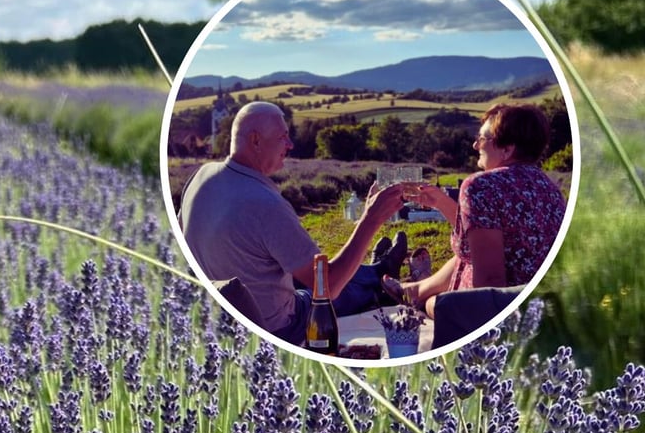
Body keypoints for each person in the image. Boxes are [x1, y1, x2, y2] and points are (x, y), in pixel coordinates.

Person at [178, 101, 407, 346]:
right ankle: (381, 282)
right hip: (276, 327)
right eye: (283, 137)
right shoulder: (265, 205)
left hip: (219, 311)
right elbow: (327, 287)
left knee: (302, 268)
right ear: (255, 140)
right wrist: (371, 218)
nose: (290, 144)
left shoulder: (201, 176)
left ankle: (377, 270)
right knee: (324, 292)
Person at [385, 103, 566, 346]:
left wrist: (440, 306)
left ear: (507, 149)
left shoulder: (481, 185)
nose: (475, 145)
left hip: (498, 313)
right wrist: (443, 204)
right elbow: (481, 237)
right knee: (467, 255)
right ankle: (415, 289)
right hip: (542, 305)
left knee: (435, 302)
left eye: (482, 139)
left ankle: (419, 296)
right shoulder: (551, 189)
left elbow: (488, 285)